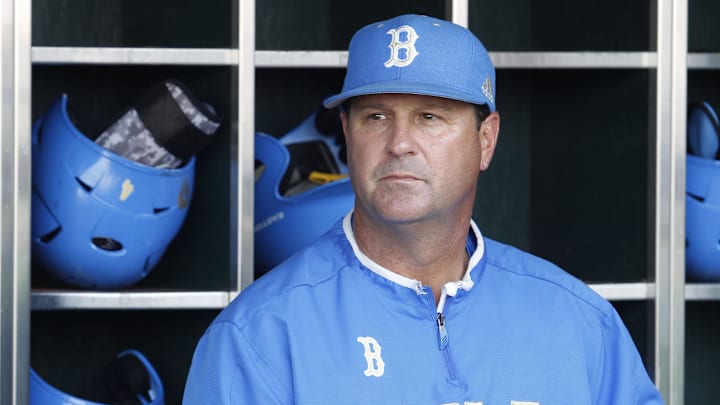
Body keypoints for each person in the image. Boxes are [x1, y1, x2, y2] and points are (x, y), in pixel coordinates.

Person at [183, 13, 665, 404]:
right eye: (376, 117)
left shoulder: (576, 319)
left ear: (486, 139)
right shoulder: (260, 336)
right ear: (348, 136)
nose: (399, 143)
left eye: (429, 117)